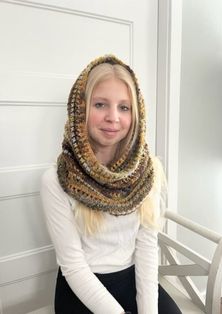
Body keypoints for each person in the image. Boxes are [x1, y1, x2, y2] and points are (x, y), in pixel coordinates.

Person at [41, 55, 181, 314]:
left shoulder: (148, 171)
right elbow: (73, 266)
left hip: (133, 277)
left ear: (136, 113)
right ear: (81, 109)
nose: (113, 117)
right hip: (81, 285)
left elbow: (147, 246)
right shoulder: (56, 179)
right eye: (101, 104)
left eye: (124, 107)